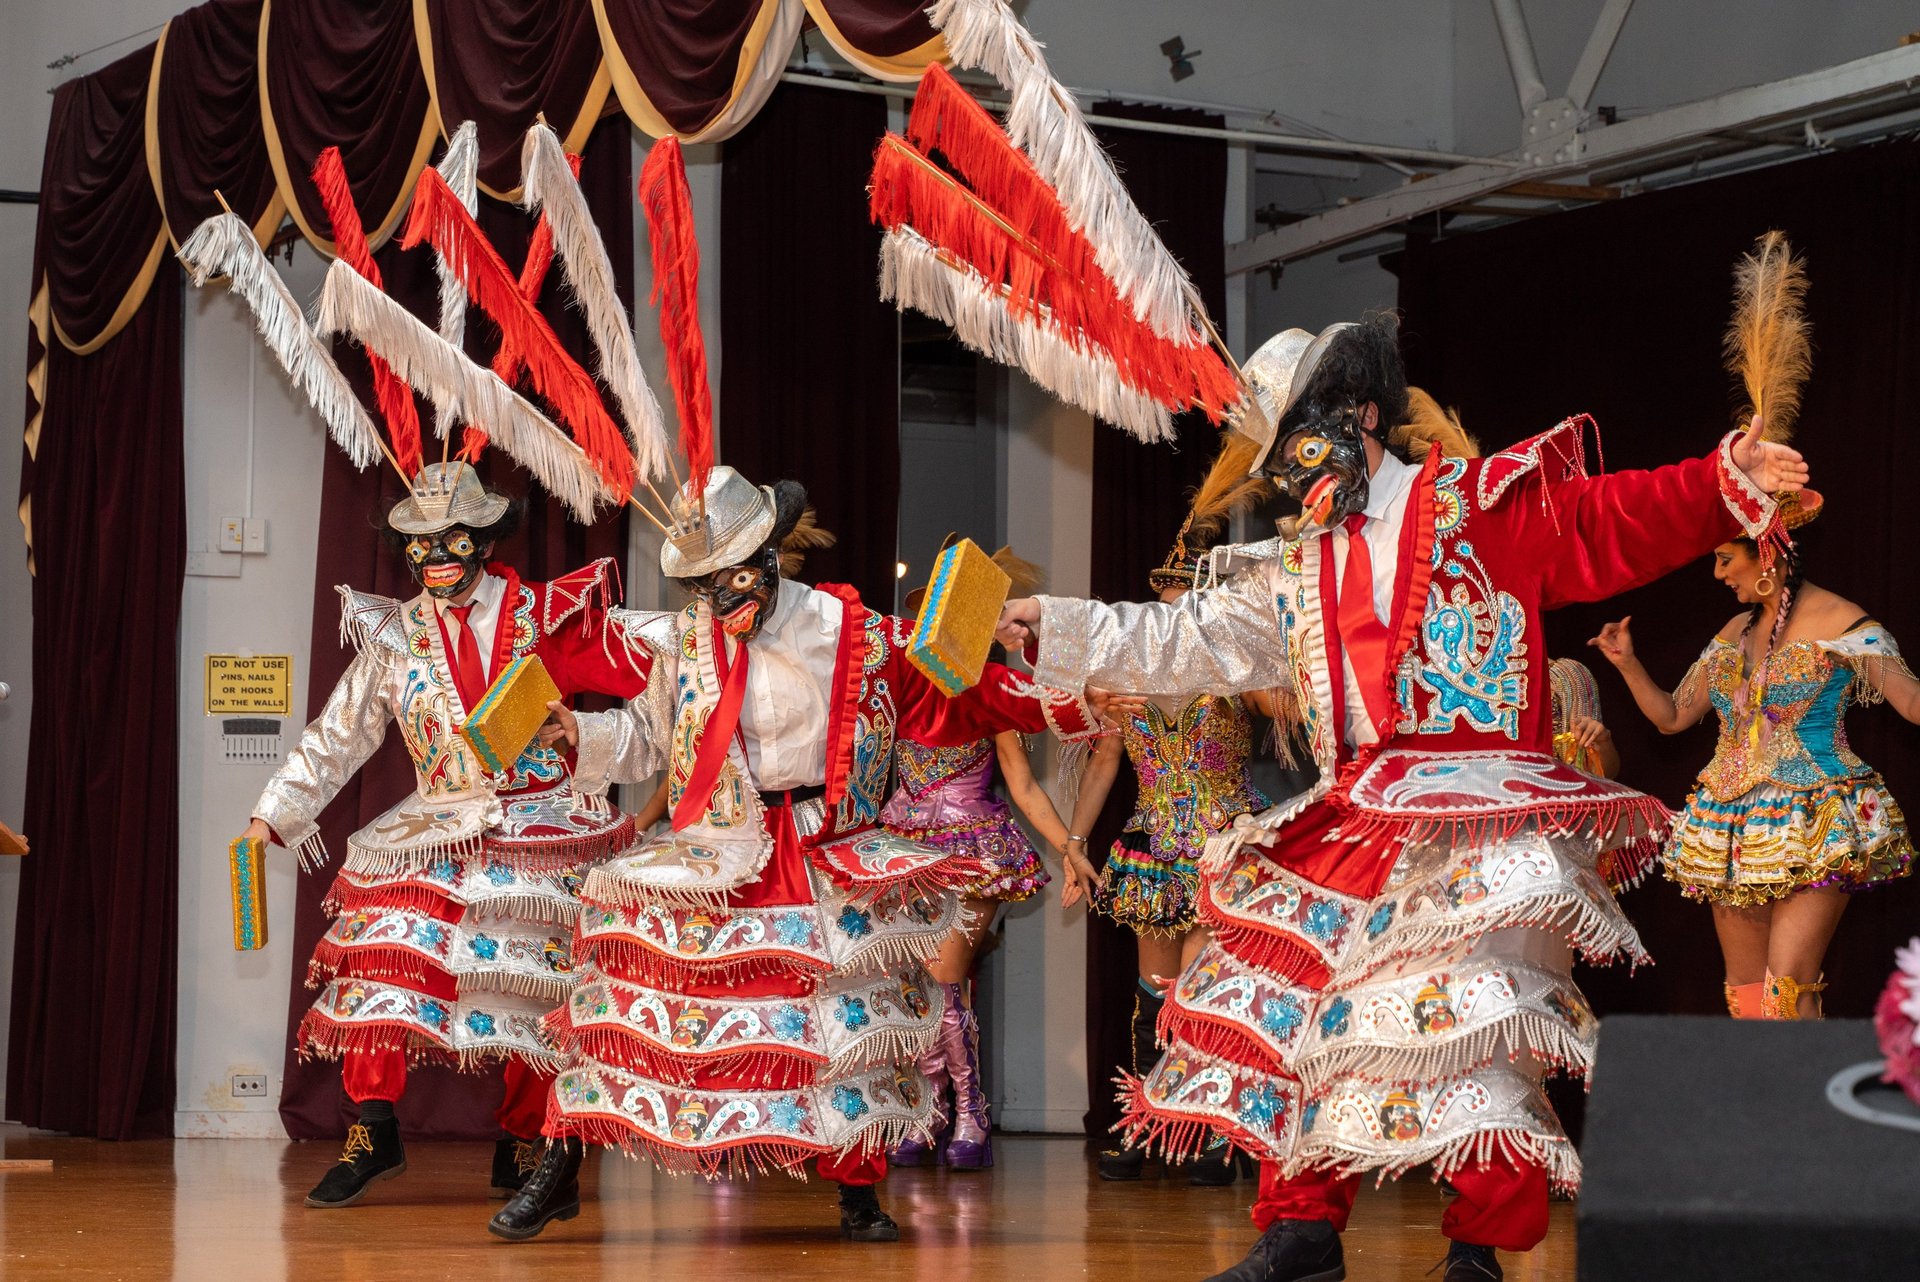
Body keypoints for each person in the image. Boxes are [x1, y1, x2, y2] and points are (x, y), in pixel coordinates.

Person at [996, 314, 1808, 1282]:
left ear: (1361, 414)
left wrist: (1723, 480)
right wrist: (1053, 623)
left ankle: (1478, 1250)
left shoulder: (1482, 505)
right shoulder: (1294, 567)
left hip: (1482, 813)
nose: (1289, 473)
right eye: (1275, 458)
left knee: (1476, 1028)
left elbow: (1609, 522)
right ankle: (1300, 1231)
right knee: (1290, 1009)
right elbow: (1186, 640)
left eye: (1299, 440)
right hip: (1355, 814)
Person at [489, 466, 1104, 1242]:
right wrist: (582, 732)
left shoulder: (856, 633)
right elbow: (647, 740)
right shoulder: (685, 641)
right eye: (704, 586)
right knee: (622, 997)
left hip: (823, 844)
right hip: (720, 842)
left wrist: (1068, 694)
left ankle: (858, 1194)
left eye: (734, 580)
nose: (720, 601)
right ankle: (560, 1166)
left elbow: (966, 697)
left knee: (844, 1024)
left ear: (771, 557)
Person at [237, 461, 649, 1208]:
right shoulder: (396, 636)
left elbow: (660, 668)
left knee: (542, 982)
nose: (434, 557)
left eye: (451, 539)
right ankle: (374, 1129)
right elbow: (339, 733)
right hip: (436, 821)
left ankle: (526, 1141)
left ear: (485, 540)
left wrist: (591, 730)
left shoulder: (548, 613)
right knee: (378, 957)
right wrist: (275, 810)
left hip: (542, 822)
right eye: (419, 543)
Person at [1589, 510, 1917, 1020]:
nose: (1718, 573)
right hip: (1732, 825)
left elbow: (1912, 703)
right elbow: (1672, 717)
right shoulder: (1734, 631)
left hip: (1814, 818)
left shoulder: (1841, 620)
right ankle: (1755, 1076)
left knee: (1785, 991)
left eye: (1725, 559)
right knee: (1746, 997)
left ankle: (1803, 1077)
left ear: (1767, 554)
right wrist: (1627, 663)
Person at [883, 548, 1125, 1171]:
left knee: (944, 980)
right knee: (917, 985)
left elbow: (1023, 788)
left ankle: (969, 1113)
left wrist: (1071, 846)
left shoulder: (993, 696)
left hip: (973, 850)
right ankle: (928, 1110)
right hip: (905, 849)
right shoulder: (902, 691)